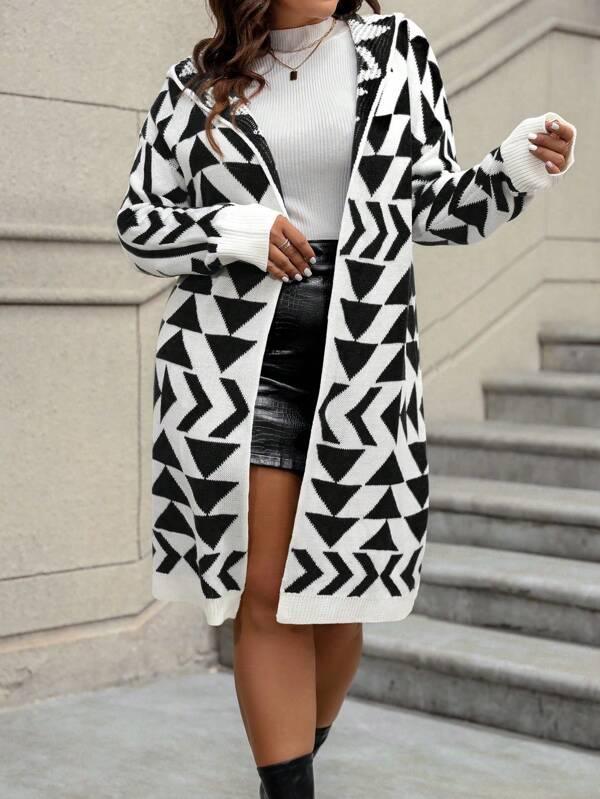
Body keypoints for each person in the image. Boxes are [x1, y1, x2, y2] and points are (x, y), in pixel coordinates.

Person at [115, 2, 576, 796]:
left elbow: (431, 210)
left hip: (362, 367)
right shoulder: (196, 83)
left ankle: (293, 750)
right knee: (266, 591)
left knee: (336, 601)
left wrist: (513, 166)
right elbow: (139, 224)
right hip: (231, 366)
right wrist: (235, 231)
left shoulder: (396, 54)